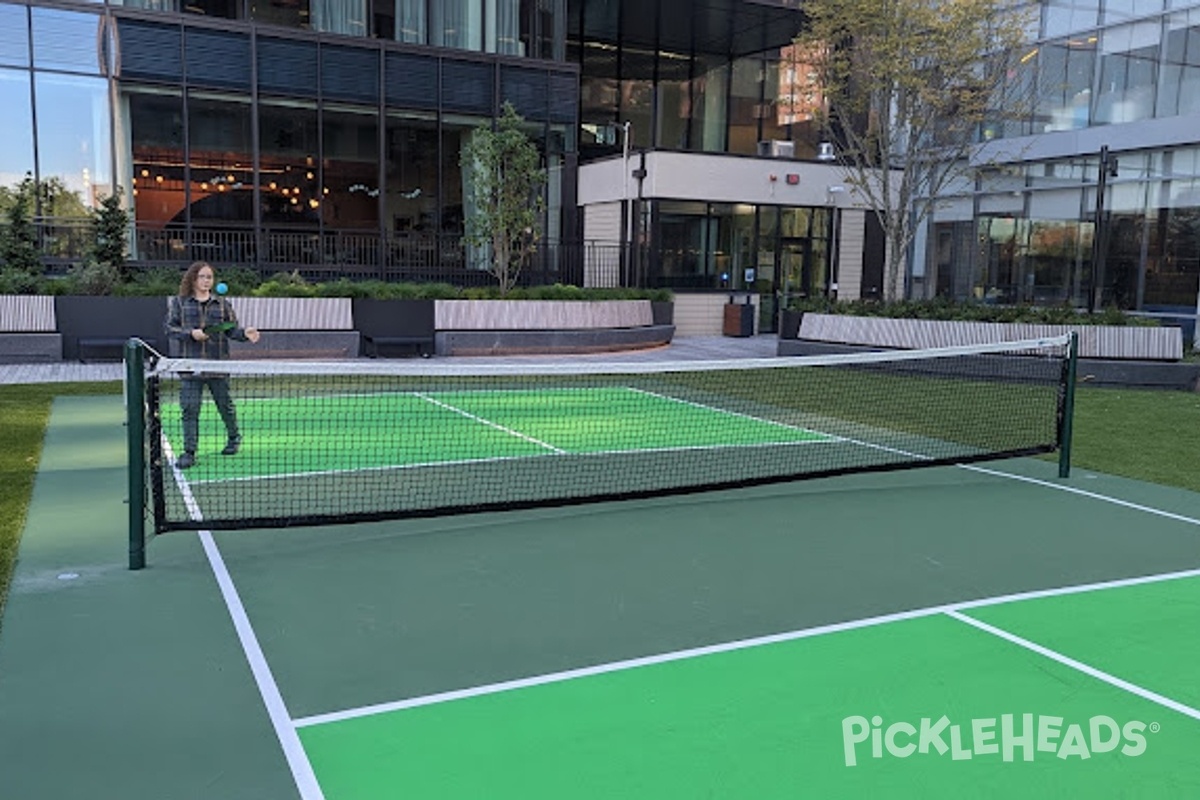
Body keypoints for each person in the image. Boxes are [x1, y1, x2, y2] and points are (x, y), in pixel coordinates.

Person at [165, 261, 260, 470]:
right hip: (190, 367)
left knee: (225, 406)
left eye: (209, 277)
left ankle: (234, 438)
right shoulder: (180, 303)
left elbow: (231, 331)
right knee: (190, 409)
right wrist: (191, 333)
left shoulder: (223, 304)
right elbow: (170, 329)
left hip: (217, 366)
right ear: (193, 279)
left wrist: (245, 334)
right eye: (203, 277)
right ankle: (189, 452)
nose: (207, 281)